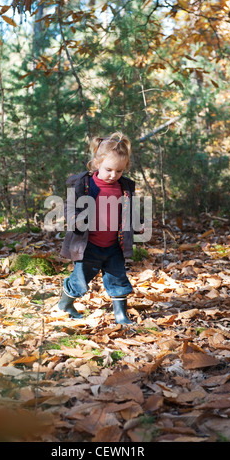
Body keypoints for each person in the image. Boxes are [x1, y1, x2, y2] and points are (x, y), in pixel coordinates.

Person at [58, 132, 139, 324]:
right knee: (79, 281)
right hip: (89, 246)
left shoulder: (124, 187)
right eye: (109, 169)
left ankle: (120, 314)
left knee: (118, 279)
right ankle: (65, 304)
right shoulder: (85, 185)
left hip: (113, 246)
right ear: (96, 164)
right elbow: (70, 205)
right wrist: (74, 218)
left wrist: (138, 224)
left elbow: (130, 212)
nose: (113, 175)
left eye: (119, 171)